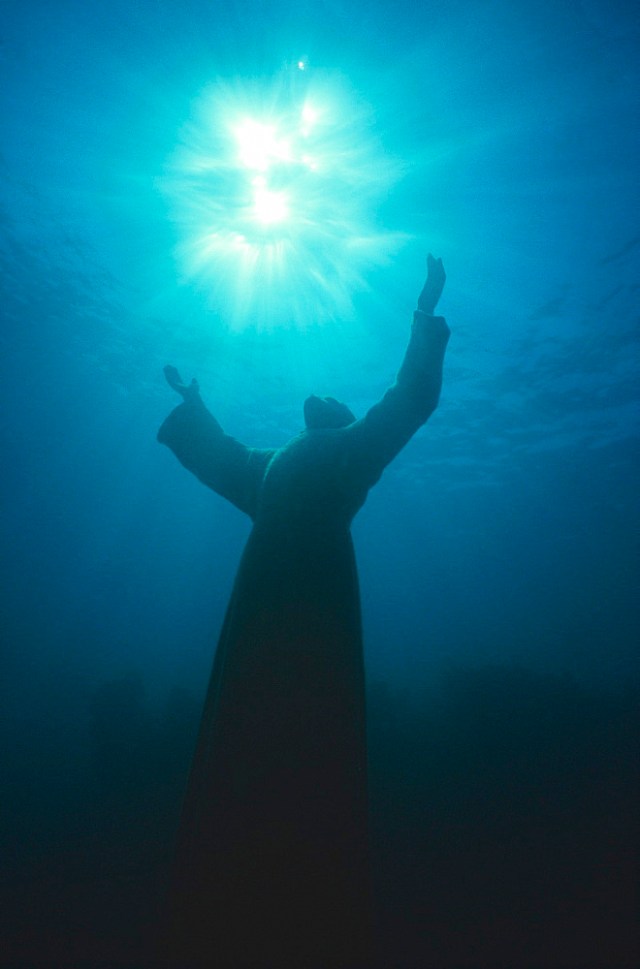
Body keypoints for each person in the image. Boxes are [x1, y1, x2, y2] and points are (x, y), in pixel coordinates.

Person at [158, 255, 449, 968]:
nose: (323, 395)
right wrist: (195, 408)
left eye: (336, 399)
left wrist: (424, 310)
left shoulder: (355, 450)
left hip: (304, 614)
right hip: (265, 610)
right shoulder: (274, 461)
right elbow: (223, 456)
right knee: (248, 735)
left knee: (299, 738)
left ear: (346, 419)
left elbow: (410, 397)